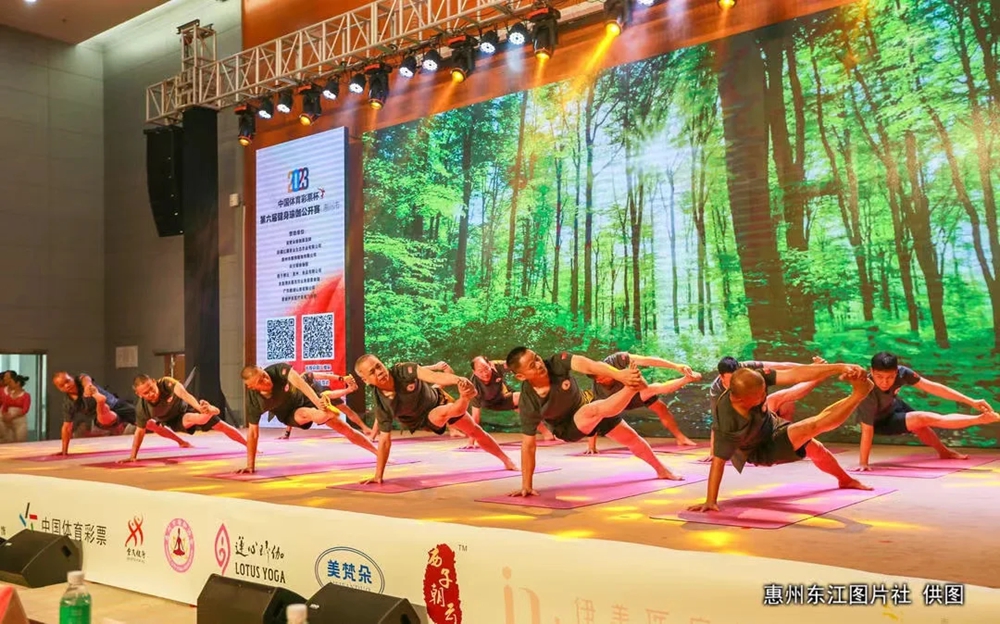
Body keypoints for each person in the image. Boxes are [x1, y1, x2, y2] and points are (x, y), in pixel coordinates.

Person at [687, 363, 873, 513]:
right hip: (760, 449)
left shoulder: (754, 379)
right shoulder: (728, 421)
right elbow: (718, 462)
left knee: (816, 448)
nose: (764, 396)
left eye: (763, 392)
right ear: (741, 400)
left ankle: (845, 480)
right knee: (809, 428)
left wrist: (840, 367)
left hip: (771, 425)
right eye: (760, 396)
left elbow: (794, 374)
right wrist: (710, 500)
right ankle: (859, 394)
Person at [506, 348, 683, 497]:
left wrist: (619, 375)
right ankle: (631, 388)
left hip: (589, 406)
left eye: (537, 358)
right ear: (521, 376)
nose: (539, 364)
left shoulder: (556, 363)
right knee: (591, 410)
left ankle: (662, 470)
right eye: (532, 366)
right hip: (567, 428)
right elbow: (528, 445)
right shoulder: (528, 401)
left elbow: (588, 364)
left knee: (632, 438)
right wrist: (526, 485)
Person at [353, 354, 517, 484]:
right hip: (423, 420)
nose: (379, 372)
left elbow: (434, 377)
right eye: (372, 372)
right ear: (365, 380)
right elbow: (384, 441)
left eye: (379, 366)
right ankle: (464, 398)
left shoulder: (403, 370)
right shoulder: (381, 402)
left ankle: (507, 460)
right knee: (443, 413)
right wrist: (378, 475)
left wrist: (459, 380)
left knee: (475, 431)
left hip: (439, 399)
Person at [852, 352, 998, 471]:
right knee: (923, 418)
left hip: (893, 406)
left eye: (890, 377)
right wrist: (863, 463)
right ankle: (980, 419)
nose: (885, 382)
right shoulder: (866, 391)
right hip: (879, 422)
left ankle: (944, 452)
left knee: (922, 425)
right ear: (871, 371)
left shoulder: (903, 373)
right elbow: (867, 430)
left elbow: (933, 387)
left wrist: (972, 401)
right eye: (879, 377)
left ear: (896, 371)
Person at [240, 362, 378, 474]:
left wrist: (318, 402)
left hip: (306, 399)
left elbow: (300, 383)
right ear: (251, 387)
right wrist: (250, 465)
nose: (266, 380)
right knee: (306, 413)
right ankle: (327, 411)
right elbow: (253, 433)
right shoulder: (254, 402)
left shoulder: (277, 370)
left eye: (264, 375)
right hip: (290, 415)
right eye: (260, 381)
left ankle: (378, 453)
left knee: (346, 429)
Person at [585, 352, 700, 454]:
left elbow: (646, 360)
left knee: (659, 406)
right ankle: (686, 379)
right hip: (619, 403)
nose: (609, 377)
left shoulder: (615, 360)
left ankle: (680, 437)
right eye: (604, 378)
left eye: (608, 374)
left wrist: (676, 366)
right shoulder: (598, 391)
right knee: (650, 390)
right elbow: (594, 418)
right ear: (598, 381)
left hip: (635, 392)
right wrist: (591, 446)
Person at [117, 374, 248, 462]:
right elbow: (139, 432)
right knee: (151, 424)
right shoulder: (142, 408)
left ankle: (249, 445)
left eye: (152, 388)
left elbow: (184, 394)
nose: (151, 393)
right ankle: (208, 415)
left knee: (220, 425)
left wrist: (199, 407)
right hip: (173, 421)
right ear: (139, 394)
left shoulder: (166, 383)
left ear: (154, 382)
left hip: (186, 408)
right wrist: (133, 456)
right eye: (146, 393)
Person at [463, 356, 555, 449]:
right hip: (487, 404)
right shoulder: (473, 387)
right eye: (480, 371)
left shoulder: (497, 366)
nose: (485, 373)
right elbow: (475, 417)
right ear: (474, 372)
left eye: (486, 369)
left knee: (523, 402)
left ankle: (547, 432)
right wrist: (471, 442)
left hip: (502, 398)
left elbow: (515, 364)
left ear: (490, 364)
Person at [53, 372, 138, 455]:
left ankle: (101, 403)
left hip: (117, 404)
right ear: (59, 389)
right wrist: (64, 450)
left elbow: (86, 378)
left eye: (67, 381)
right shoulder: (68, 404)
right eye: (62, 386)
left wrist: (87, 386)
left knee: (142, 420)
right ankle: (101, 403)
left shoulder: (81, 380)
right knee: (104, 413)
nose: (67, 385)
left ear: (72, 378)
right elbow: (67, 427)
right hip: (102, 418)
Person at [279, 372, 372, 440]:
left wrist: (342, 379)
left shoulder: (306, 376)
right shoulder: (293, 394)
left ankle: (365, 429)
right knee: (333, 421)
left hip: (324, 393)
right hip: (318, 403)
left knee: (346, 410)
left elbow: (325, 376)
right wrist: (287, 433)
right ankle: (352, 433)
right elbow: (291, 413)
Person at [0, 371, 31, 443]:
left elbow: (25, 409)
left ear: (17, 383)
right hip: (8, 422)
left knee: (20, 439)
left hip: (19, 421)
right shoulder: (9, 395)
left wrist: (14, 415)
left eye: (12, 382)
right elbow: (4, 407)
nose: (10, 384)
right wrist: (5, 415)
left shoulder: (26, 395)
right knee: (8, 440)